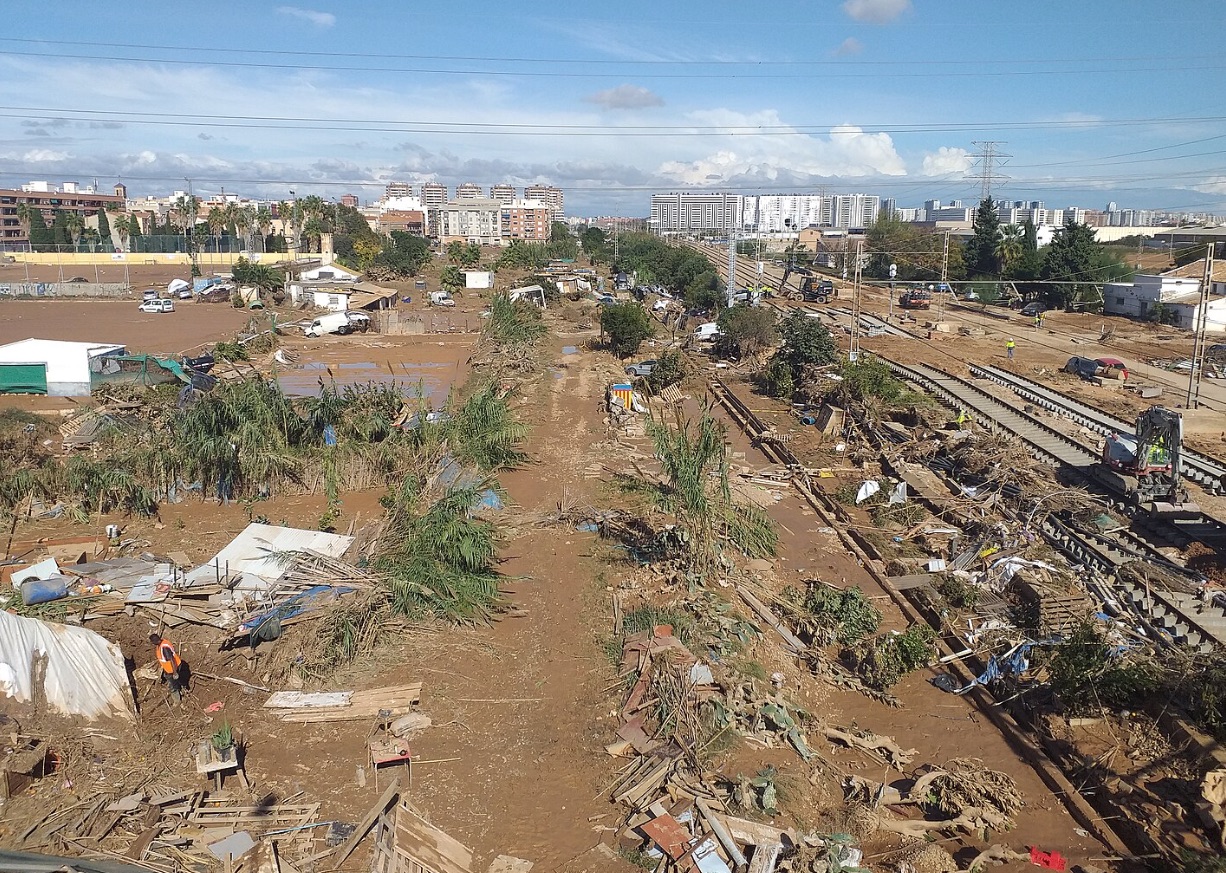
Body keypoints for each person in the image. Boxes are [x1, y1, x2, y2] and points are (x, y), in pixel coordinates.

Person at [150, 632, 188, 702]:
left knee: (173, 686)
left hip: (173, 669)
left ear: (155, 641)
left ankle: (177, 700)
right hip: (170, 668)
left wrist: (175, 672)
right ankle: (181, 686)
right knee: (171, 679)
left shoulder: (164, 648)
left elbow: (172, 660)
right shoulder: (162, 643)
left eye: (152, 642)